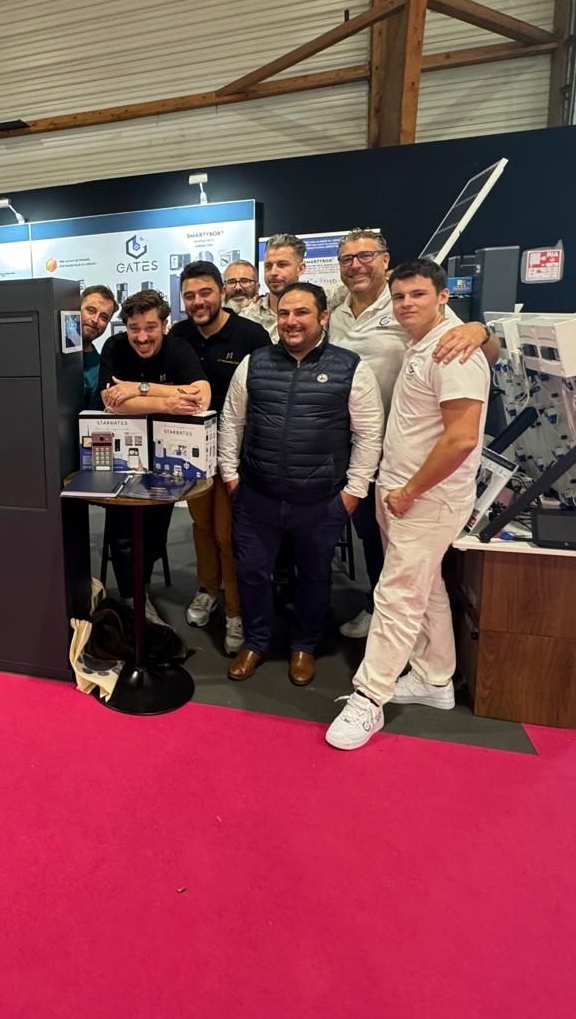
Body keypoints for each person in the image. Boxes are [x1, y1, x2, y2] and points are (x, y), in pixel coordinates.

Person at [326, 260, 490, 751]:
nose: (405, 304)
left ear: (443, 296)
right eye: (399, 296)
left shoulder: (456, 352)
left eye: (417, 294)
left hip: (425, 498)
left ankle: (368, 697)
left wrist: (410, 490)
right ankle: (435, 679)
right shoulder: (423, 342)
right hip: (401, 490)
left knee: (396, 597)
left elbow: (461, 439)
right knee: (426, 588)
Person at [328, 229, 500, 639]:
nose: (356, 265)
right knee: (363, 529)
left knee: (389, 542)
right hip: (349, 442)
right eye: (347, 259)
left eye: (365, 256)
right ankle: (383, 611)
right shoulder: (336, 311)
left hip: (402, 448)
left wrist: (480, 330)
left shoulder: (407, 303)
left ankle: (383, 615)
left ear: (385, 260)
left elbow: (482, 351)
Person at [219, 283, 383, 686]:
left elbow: (368, 434)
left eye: (302, 313)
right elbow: (232, 421)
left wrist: (354, 492)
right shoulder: (254, 363)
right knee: (252, 572)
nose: (291, 321)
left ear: (323, 317)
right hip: (257, 496)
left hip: (321, 501)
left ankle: (304, 646)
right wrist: (231, 476)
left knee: (314, 576)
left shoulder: (350, 367)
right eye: (284, 313)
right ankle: (256, 641)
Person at [168, 261, 270, 654]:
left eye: (205, 292)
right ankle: (208, 589)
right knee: (202, 526)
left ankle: (235, 611)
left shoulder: (251, 335)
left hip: (235, 455)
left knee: (228, 536)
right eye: (190, 296)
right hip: (192, 453)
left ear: (222, 292)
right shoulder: (179, 335)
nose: (198, 301)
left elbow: (265, 394)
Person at [99, 290, 211, 617]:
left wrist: (138, 389)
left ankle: (143, 588)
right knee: (122, 532)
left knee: (154, 532)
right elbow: (110, 402)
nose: (142, 337)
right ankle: (132, 600)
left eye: (150, 327)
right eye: (134, 328)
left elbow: (201, 395)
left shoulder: (178, 348)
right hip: (122, 454)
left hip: (168, 455)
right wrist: (169, 402)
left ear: (164, 325)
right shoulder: (114, 346)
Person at [241, 234, 347, 341]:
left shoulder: (322, 299)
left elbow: (352, 285)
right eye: (268, 266)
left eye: (282, 265)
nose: (273, 272)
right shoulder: (249, 315)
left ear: (300, 269)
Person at [79, 284, 118, 410]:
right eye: (90, 310)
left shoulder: (101, 369)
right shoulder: (45, 352)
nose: (95, 320)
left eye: (104, 317)